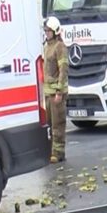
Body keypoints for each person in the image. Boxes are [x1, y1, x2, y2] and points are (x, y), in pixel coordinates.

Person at [42, 17, 69, 163]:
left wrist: (59, 92)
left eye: (49, 31)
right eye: (45, 31)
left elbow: (63, 70)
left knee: (58, 124)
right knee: (50, 124)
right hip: (48, 93)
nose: (46, 33)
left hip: (56, 94)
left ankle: (58, 153)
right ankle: (53, 151)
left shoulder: (60, 47)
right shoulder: (47, 48)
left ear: (55, 31)